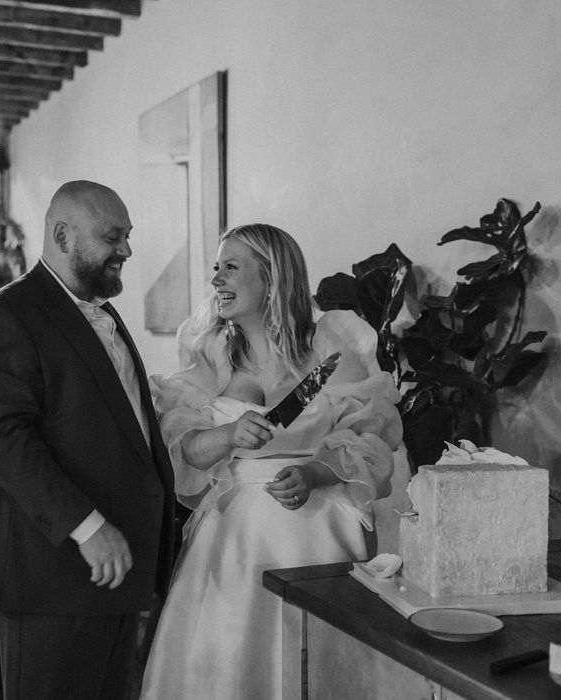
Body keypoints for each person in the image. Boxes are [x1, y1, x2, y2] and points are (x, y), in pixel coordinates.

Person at [140, 224, 402, 699]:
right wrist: (227, 434)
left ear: (272, 277)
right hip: (232, 544)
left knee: (322, 664)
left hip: (319, 534)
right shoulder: (209, 356)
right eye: (216, 267)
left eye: (231, 267)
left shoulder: (333, 352)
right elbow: (181, 450)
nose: (217, 278)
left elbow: (371, 442)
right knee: (231, 660)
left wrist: (313, 472)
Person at [0, 180, 176, 700]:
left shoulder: (102, 313)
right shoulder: (5, 316)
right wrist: (87, 528)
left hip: (116, 574)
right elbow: (1, 437)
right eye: (113, 237)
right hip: (53, 573)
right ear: (63, 236)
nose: (127, 250)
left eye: (128, 236)